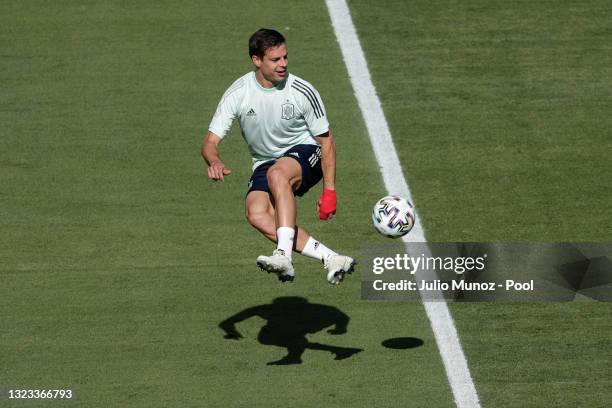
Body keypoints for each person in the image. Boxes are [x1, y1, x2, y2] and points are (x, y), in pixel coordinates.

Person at [202, 28, 355, 284]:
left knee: (278, 174)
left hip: (308, 152)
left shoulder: (301, 91)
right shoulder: (238, 92)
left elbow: (327, 141)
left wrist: (330, 190)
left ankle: (283, 255)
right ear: (256, 60)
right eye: (275, 60)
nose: (283, 64)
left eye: (285, 57)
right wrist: (214, 160)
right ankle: (332, 258)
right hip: (265, 161)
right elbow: (209, 142)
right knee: (257, 213)